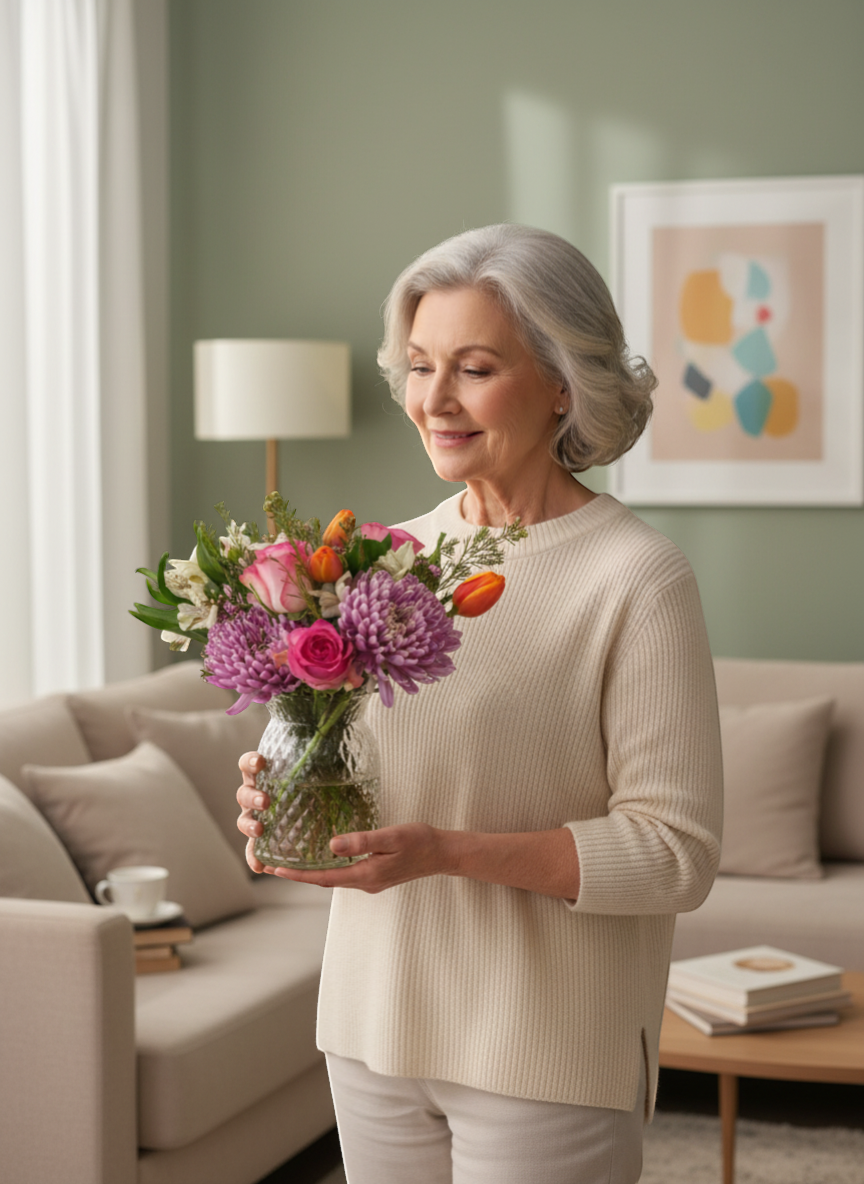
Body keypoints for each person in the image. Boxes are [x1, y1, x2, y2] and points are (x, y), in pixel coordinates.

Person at [236, 224, 723, 1184]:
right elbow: (328, 755)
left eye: (474, 367)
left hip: (546, 1053)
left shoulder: (637, 579)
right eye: (419, 366)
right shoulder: (373, 558)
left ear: (559, 383)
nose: (434, 400)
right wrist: (273, 789)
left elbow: (676, 855)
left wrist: (445, 854)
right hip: (370, 1030)